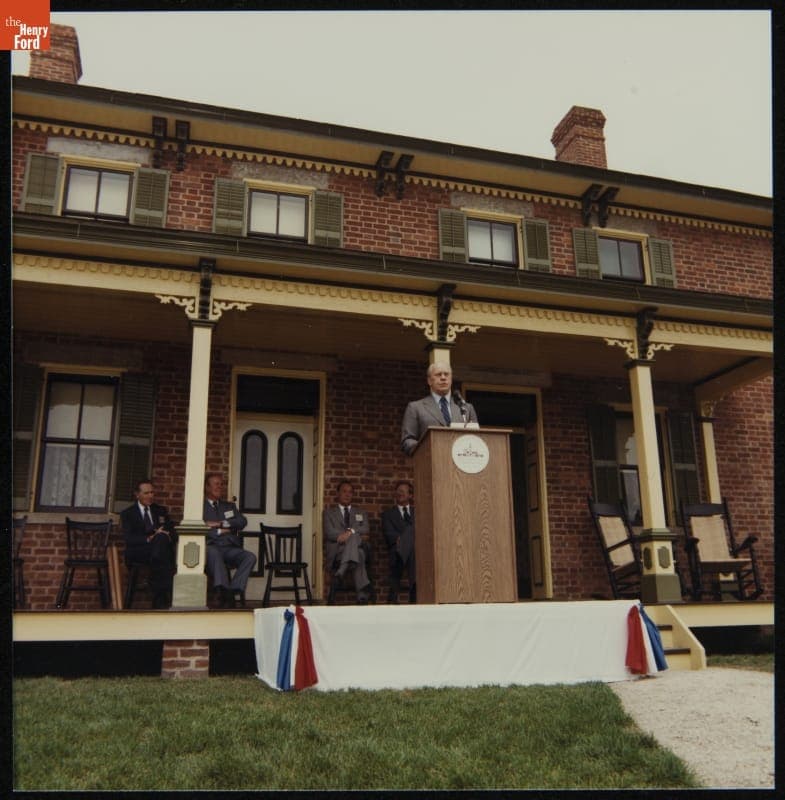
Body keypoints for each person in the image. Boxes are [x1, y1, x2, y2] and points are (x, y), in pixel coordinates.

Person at [120, 479, 176, 609]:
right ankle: (161, 598)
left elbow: (173, 533)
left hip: (158, 550)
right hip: (139, 551)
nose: (150, 496)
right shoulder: (128, 513)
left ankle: (157, 589)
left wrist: (165, 534)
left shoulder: (160, 511)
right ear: (137, 494)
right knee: (162, 556)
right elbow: (129, 538)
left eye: (152, 493)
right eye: (146, 493)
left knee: (161, 539)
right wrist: (149, 538)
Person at [400, 362, 479, 455]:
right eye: (438, 374)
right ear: (429, 381)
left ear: (451, 379)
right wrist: (427, 448)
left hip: (462, 461)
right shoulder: (415, 407)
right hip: (430, 459)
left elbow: (477, 439)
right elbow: (407, 441)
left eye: (446, 374)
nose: (443, 378)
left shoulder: (466, 408)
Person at [203, 472, 256, 608]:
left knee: (250, 557)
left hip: (229, 547)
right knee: (214, 553)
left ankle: (232, 590)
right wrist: (220, 531)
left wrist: (221, 524)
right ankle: (223, 590)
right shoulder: (199, 507)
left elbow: (242, 521)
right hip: (210, 546)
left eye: (221, 484)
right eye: (216, 484)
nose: (219, 487)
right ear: (207, 487)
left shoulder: (228, 506)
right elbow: (200, 527)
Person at [322, 480, 373, 604]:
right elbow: (329, 533)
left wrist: (350, 532)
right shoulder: (328, 513)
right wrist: (351, 534)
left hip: (351, 550)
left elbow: (366, 529)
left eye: (350, 492)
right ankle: (362, 597)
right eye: (344, 491)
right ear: (338, 493)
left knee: (355, 541)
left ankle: (340, 572)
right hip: (338, 550)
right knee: (359, 554)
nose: (347, 494)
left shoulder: (361, 513)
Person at [381, 480, 416, 604]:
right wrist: (404, 540)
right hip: (396, 550)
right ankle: (414, 593)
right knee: (410, 536)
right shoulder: (388, 514)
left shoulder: (419, 513)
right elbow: (389, 534)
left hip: (416, 552)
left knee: (413, 549)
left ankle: (393, 594)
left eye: (403, 491)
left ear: (410, 495)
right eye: (398, 491)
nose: (400, 493)